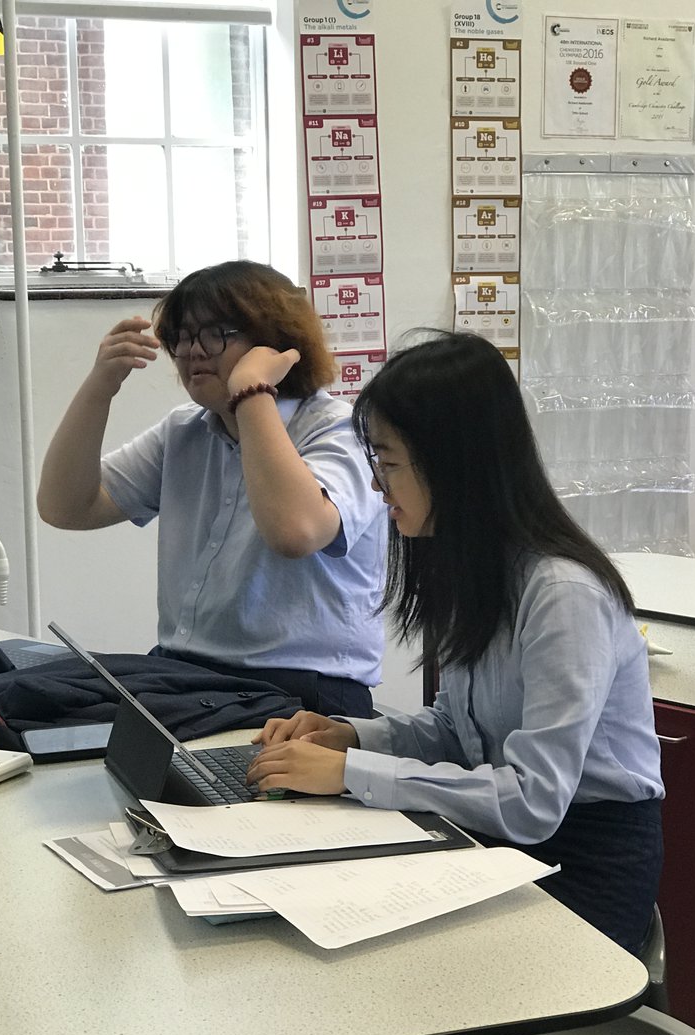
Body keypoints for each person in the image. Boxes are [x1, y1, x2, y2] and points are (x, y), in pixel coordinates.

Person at [247, 331, 664, 953]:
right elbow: (457, 730)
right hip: (497, 840)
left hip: (582, 863)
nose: (377, 485)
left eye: (387, 463)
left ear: (450, 462)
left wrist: (349, 772)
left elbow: (532, 802)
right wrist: (353, 735)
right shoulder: (473, 567)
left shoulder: (562, 593)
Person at [37, 260, 385, 717]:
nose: (192, 351)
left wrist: (252, 392)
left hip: (303, 689)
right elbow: (66, 507)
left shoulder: (340, 430)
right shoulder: (184, 431)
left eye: (216, 332)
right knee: (41, 697)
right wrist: (101, 386)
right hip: (186, 675)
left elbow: (296, 532)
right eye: (181, 336)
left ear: (274, 339)